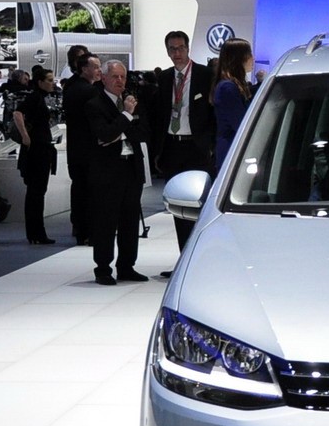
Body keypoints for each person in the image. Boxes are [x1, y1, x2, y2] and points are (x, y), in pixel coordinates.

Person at [86, 60, 150, 285]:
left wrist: (119, 131)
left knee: (130, 220)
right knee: (106, 221)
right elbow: (103, 134)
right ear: (103, 78)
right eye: (115, 76)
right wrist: (126, 117)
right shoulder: (95, 105)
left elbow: (142, 133)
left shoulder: (132, 102)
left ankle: (126, 266)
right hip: (108, 171)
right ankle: (103, 268)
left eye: (123, 76)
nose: (120, 81)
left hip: (131, 167)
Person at [151, 30, 215, 256]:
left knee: (201, 205)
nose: (176, 53)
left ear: (188, 49)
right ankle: (183, 259)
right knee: (178, 206)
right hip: (172, 147)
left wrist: (211, 146)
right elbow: (159, 115)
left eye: (180, 48)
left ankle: (200, 257)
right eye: (172, 49)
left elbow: (213, 114)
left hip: (197, 148)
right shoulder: (164, 77)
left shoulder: (205, 75)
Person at [12, 67, 59, 244]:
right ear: (40, 82)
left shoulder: (38, 97)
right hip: (37, 149)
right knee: (36, 192)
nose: (52, 83)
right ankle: (36, 233)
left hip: (40, 148)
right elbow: (17, 113)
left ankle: (36, 233)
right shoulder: (35, 97)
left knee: (37, 192)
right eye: (49, 80)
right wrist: (25, 136)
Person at [63, 52, 102, 244]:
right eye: (96, 67)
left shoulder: (70, 87)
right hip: (89, 149)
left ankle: (80, 230)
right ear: (84, 69)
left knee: (79, 189)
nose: (99, 70)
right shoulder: (89, 91)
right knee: (89, 191)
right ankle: (88, 231)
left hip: (75, 148)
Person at [212, 37, 254, 169]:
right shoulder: (228, 88)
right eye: (249, 54)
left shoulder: (234, 85)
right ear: (238, 58)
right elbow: (240, 124)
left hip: (235, 149)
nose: (253, 58)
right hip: (232, 152)